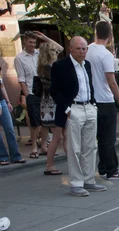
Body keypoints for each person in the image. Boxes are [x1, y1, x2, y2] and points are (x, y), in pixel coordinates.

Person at [50, 37, 103, 197]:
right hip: (73, 108)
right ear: (71, 49)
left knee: (91, 147)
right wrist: (66, 109)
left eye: (84, 49)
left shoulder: (87, 64)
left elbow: (89, 85)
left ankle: (89, 180)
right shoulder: (60, 65)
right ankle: (76, 183)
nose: (82, 52)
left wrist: (93, 104)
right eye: (79, 49)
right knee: (75, 148)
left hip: (89, 107)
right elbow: (54, 90)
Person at [86, 22, 119, 181]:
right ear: (110, 35)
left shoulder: (88, 50)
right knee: (108, 138)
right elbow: (111, 81)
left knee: (98, 137)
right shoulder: (106, 55)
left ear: (95, 32)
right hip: (104, 100)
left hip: (91, 100)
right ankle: (112, 169)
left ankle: (103, 168)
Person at [15, 31, 62, 159]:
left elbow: (60, 48)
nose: (32, 44)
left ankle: (44, 146)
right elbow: (21, 78)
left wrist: (45, 37)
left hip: (45, 92)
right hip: (32, 92)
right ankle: (34, 146)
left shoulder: (40, 54)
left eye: (34, 42)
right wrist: (27, 95)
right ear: (25, 42)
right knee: (35, 122)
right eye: (30, 42)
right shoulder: (19, 58)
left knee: (46, 121)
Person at [37, 43, 64, 175]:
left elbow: (61, 48)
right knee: (57, 136)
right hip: (51, 105)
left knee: (64, 135)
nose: (57, 53)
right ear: (49, 53)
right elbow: (56, 86)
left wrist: (43, 38)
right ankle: (49, 165)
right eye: (53, 51)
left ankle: (73, 163)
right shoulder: (48, 68)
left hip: (52, 104)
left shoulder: (45, 67)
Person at [0, 67, 25, 166]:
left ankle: (15, 156)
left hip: (2, 101)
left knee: (9, 129)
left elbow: (1, 86)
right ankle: (2, 157)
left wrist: (7, 101)